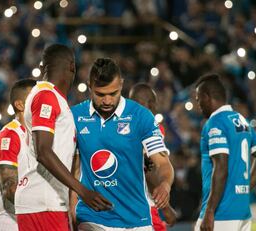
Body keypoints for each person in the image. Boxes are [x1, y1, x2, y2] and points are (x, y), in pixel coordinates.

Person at [15, 44, 111, 231]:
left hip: (48, 202)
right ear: (72, 66)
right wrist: (82, 191)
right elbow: (43, 151)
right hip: (43, 203)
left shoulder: (53, 98)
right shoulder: (46, 96)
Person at [71, 58, 174, 230]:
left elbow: (162, 162)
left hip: (136, 218)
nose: (107, 101)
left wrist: (165, 184)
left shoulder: (141, 116)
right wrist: (71, 207)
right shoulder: (74, 116)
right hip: (92, 217)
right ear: (89, 86)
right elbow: (74, 168)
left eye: (113, 93)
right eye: (100, 94)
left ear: (122, 84)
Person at [194, 74, 256, 231]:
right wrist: (245, 187)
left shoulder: (215, 123)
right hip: (242, 212)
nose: (198, 105)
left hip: (221, 213)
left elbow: (221, 166)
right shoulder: (240, 120)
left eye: (198, 99)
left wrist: (209, 211)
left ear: (206, 97)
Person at [0, 78, 36, 231]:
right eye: (35, 99)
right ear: (20, 105)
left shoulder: (39, 138)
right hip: (9, 223)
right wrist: (43, 209)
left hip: (29, 222)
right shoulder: (10, 135)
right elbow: (10, 188)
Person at [129, 83, 177, 230]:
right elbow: (147, 168)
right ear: (151, 104)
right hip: (142, 207)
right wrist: (166, 208)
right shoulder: (151, 127)